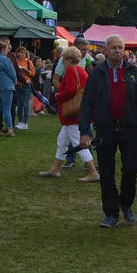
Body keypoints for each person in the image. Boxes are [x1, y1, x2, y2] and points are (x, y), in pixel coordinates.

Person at [78, 34, 137, 228]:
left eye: (120, 47)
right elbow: (87, 104)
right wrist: (84, 131)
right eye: (113, 47)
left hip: (130, 129)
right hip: (106, 129)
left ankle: (126, 204)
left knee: (130, 170)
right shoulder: (97, 73)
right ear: (105, 50)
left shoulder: (134, 71)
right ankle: (111, 213)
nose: (117, 51)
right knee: (106, 173)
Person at [40, 45, 100, 182]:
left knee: (79, 143)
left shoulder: (72, 70)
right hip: (77, 114)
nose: (62, 62)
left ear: (68, 59)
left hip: (73, 116)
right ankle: (55, 169)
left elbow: (70, 90)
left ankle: (93, 171)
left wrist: (57, 97)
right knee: (62, 141)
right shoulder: (81, 70)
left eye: (63, 59)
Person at [13, 45, 36, 130]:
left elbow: (33, 73)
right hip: (18, 84)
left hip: (27, 83)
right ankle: (20, 121)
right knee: (19, 103)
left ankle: (25, 122)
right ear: (17, 53)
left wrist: (26, 71)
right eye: (21, 53)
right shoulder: (15, 61)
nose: (23, 54)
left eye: (24, 53)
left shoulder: (28, 62)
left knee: (25, 103)